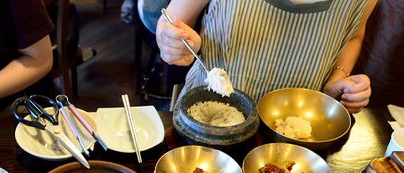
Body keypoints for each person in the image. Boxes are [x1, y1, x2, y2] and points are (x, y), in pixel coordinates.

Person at [156, 0, 376, 113]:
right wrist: (172, 42)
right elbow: (170, 22)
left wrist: (336, 81)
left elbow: (353, 35)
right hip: (206, 111)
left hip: (294, 126)